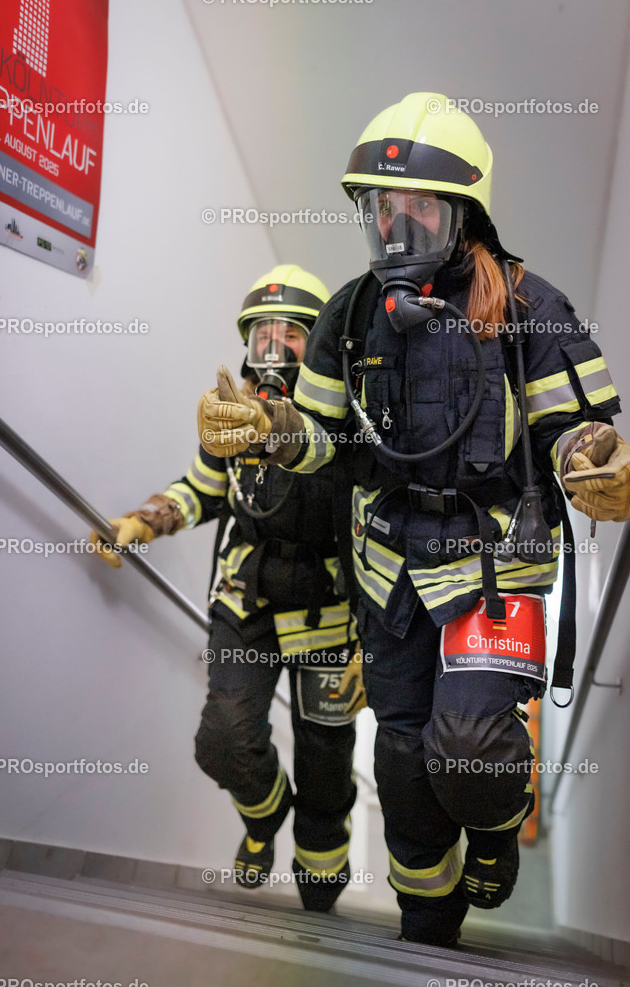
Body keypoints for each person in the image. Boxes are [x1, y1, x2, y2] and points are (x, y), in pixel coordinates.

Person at [197, 94, 630, 946]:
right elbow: (322, 438)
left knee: (464, 739)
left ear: (463, 212)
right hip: (385, 564)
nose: (395, 227)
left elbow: (573, 427)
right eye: (378, 209)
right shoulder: (351, 316)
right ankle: (426, 924)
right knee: (398, 755)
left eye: (416, 209)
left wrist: (593, 460)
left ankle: (498, 833)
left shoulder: (527, 306)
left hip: (489, 562)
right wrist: (271, 430)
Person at [92, 264, 365, 913]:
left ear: (319, 342)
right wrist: (143, 521)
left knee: (325, 757)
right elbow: (200, 491)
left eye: (290, 334)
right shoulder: (229, 416)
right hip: (245, 597)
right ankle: (264, 819)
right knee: (224, 738)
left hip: (325, 610)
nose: (272, 348)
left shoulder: (348, 418)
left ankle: (319, 860)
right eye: (260, 334)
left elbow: (371, 519)